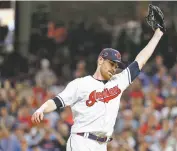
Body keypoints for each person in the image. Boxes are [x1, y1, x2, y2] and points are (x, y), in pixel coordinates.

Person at [31, 5, 166, 151]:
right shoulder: (81, 84)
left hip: (101, 144)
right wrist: (41, 109)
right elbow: (57, 101)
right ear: (101, 60)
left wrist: (158, 34)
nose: (114, 68)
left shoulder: (118, 82)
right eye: (111, 63)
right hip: (81, 141)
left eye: (116, 66)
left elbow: (140, 61)